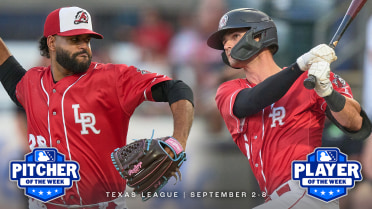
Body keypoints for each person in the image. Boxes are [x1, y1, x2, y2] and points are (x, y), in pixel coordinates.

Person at [0, 6, 194, 209]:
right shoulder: (31, 83)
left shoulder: (114, 78)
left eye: (87, 40)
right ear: (51, 42)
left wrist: (178, 142)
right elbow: (5, 63)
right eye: (75, 40)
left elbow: (177, 89)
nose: (84, 46)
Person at [207, 8, 371, 209]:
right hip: (280, 200)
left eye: (235, 36)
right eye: (224, 41)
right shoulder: (229, 90)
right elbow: (252, 101)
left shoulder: (310, 80)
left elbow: (356, 124)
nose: (227, 45)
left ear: (259, 36)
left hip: (310, 192)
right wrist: (300, 65)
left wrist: (328, 92)